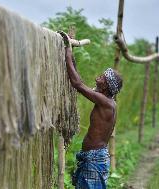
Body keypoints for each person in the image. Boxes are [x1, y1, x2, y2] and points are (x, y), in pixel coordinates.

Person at [58, 31, 123, 189]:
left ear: (107, 85)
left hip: (94, 159)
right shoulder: (107, 100)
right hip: (93, 157)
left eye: (102, 77)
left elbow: (78, 84)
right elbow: (78, 80)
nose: (97, 78)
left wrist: (67, 49)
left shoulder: (105, 102)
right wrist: (70, 55)